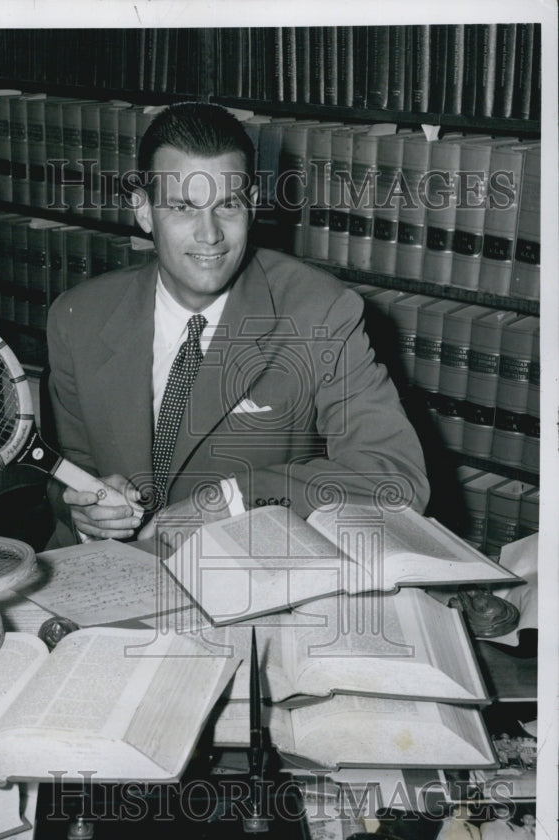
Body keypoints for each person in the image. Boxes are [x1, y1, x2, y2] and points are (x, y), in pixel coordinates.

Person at [45, 102, 430, 548]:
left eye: (227, 206)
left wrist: (232, 500)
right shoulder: (78, 317)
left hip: (246, 578)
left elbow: (398, 478)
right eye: (183, 208)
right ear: (145, 212)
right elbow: (69, 468)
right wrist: (80, 509)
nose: (209, 235)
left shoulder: (319, 312)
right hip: (108, 581)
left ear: (250, 208)